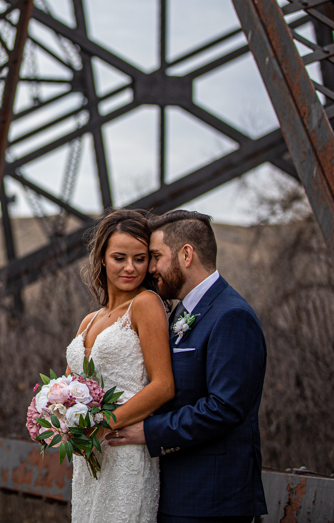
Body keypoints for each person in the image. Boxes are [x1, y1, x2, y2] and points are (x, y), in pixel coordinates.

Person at [111, 210, 268, 523]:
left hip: (211, 499)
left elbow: (224, 408)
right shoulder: (181, 313)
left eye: (156, 257)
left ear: (186, 254)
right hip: (175, 492)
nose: (150, 268)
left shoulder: (231, 316)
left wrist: (147, 431)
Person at [65, 209, 175, 523]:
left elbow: (163, 385)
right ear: (101, 258)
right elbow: (72, 388)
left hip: (124, 449)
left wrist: (103, 426)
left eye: (140, 259)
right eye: (119, 258)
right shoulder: (90, 320)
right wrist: (61, 423)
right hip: (90, 456)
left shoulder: (146, 305)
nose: (130, 268)